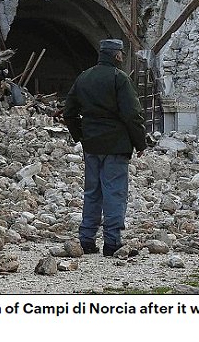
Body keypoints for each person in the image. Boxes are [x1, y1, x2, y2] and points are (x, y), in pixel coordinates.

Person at [61, 38, 147, 257]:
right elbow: (132, 114)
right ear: (116, 55)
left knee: (92, 192)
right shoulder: (120, 78)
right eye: (121, 54)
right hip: (116, 145)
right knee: (114, 192)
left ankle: (86, 240)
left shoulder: (84, 77)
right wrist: (140, 142)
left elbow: (68, 112)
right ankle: (112, 242)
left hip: (91, 144)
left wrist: (81, 136)